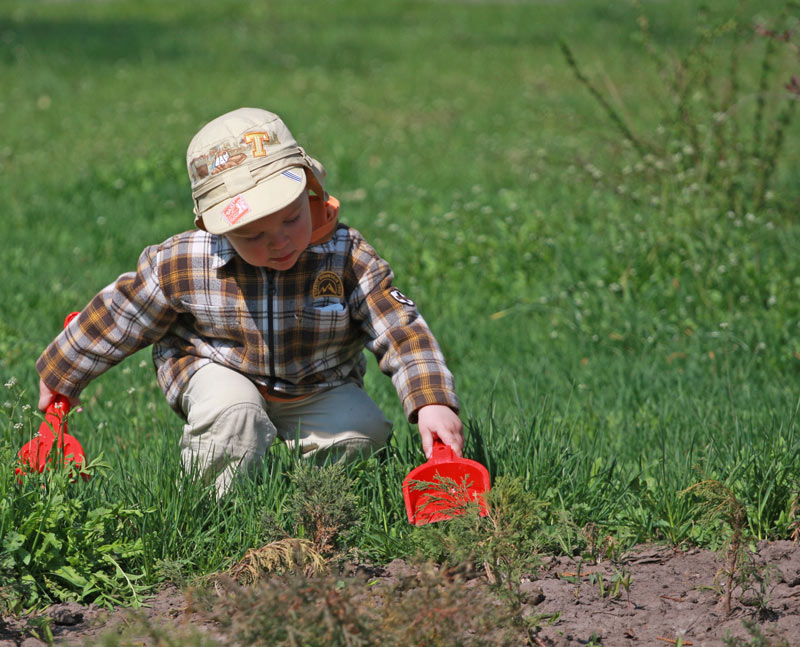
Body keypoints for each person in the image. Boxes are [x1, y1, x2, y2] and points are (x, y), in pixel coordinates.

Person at [35, 107, 463, 496]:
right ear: (213, 226)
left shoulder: (346, 257)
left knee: (361, 433)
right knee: (235, 416)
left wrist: (431, 400)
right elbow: (123, 313)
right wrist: (62, 373)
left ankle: (313, 504)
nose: (279, 241)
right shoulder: (186, 262)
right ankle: (211, 509)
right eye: (253, 234)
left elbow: (398, 326)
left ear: (311, 188)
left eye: (292, 218)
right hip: (217, 369)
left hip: (316, 383)